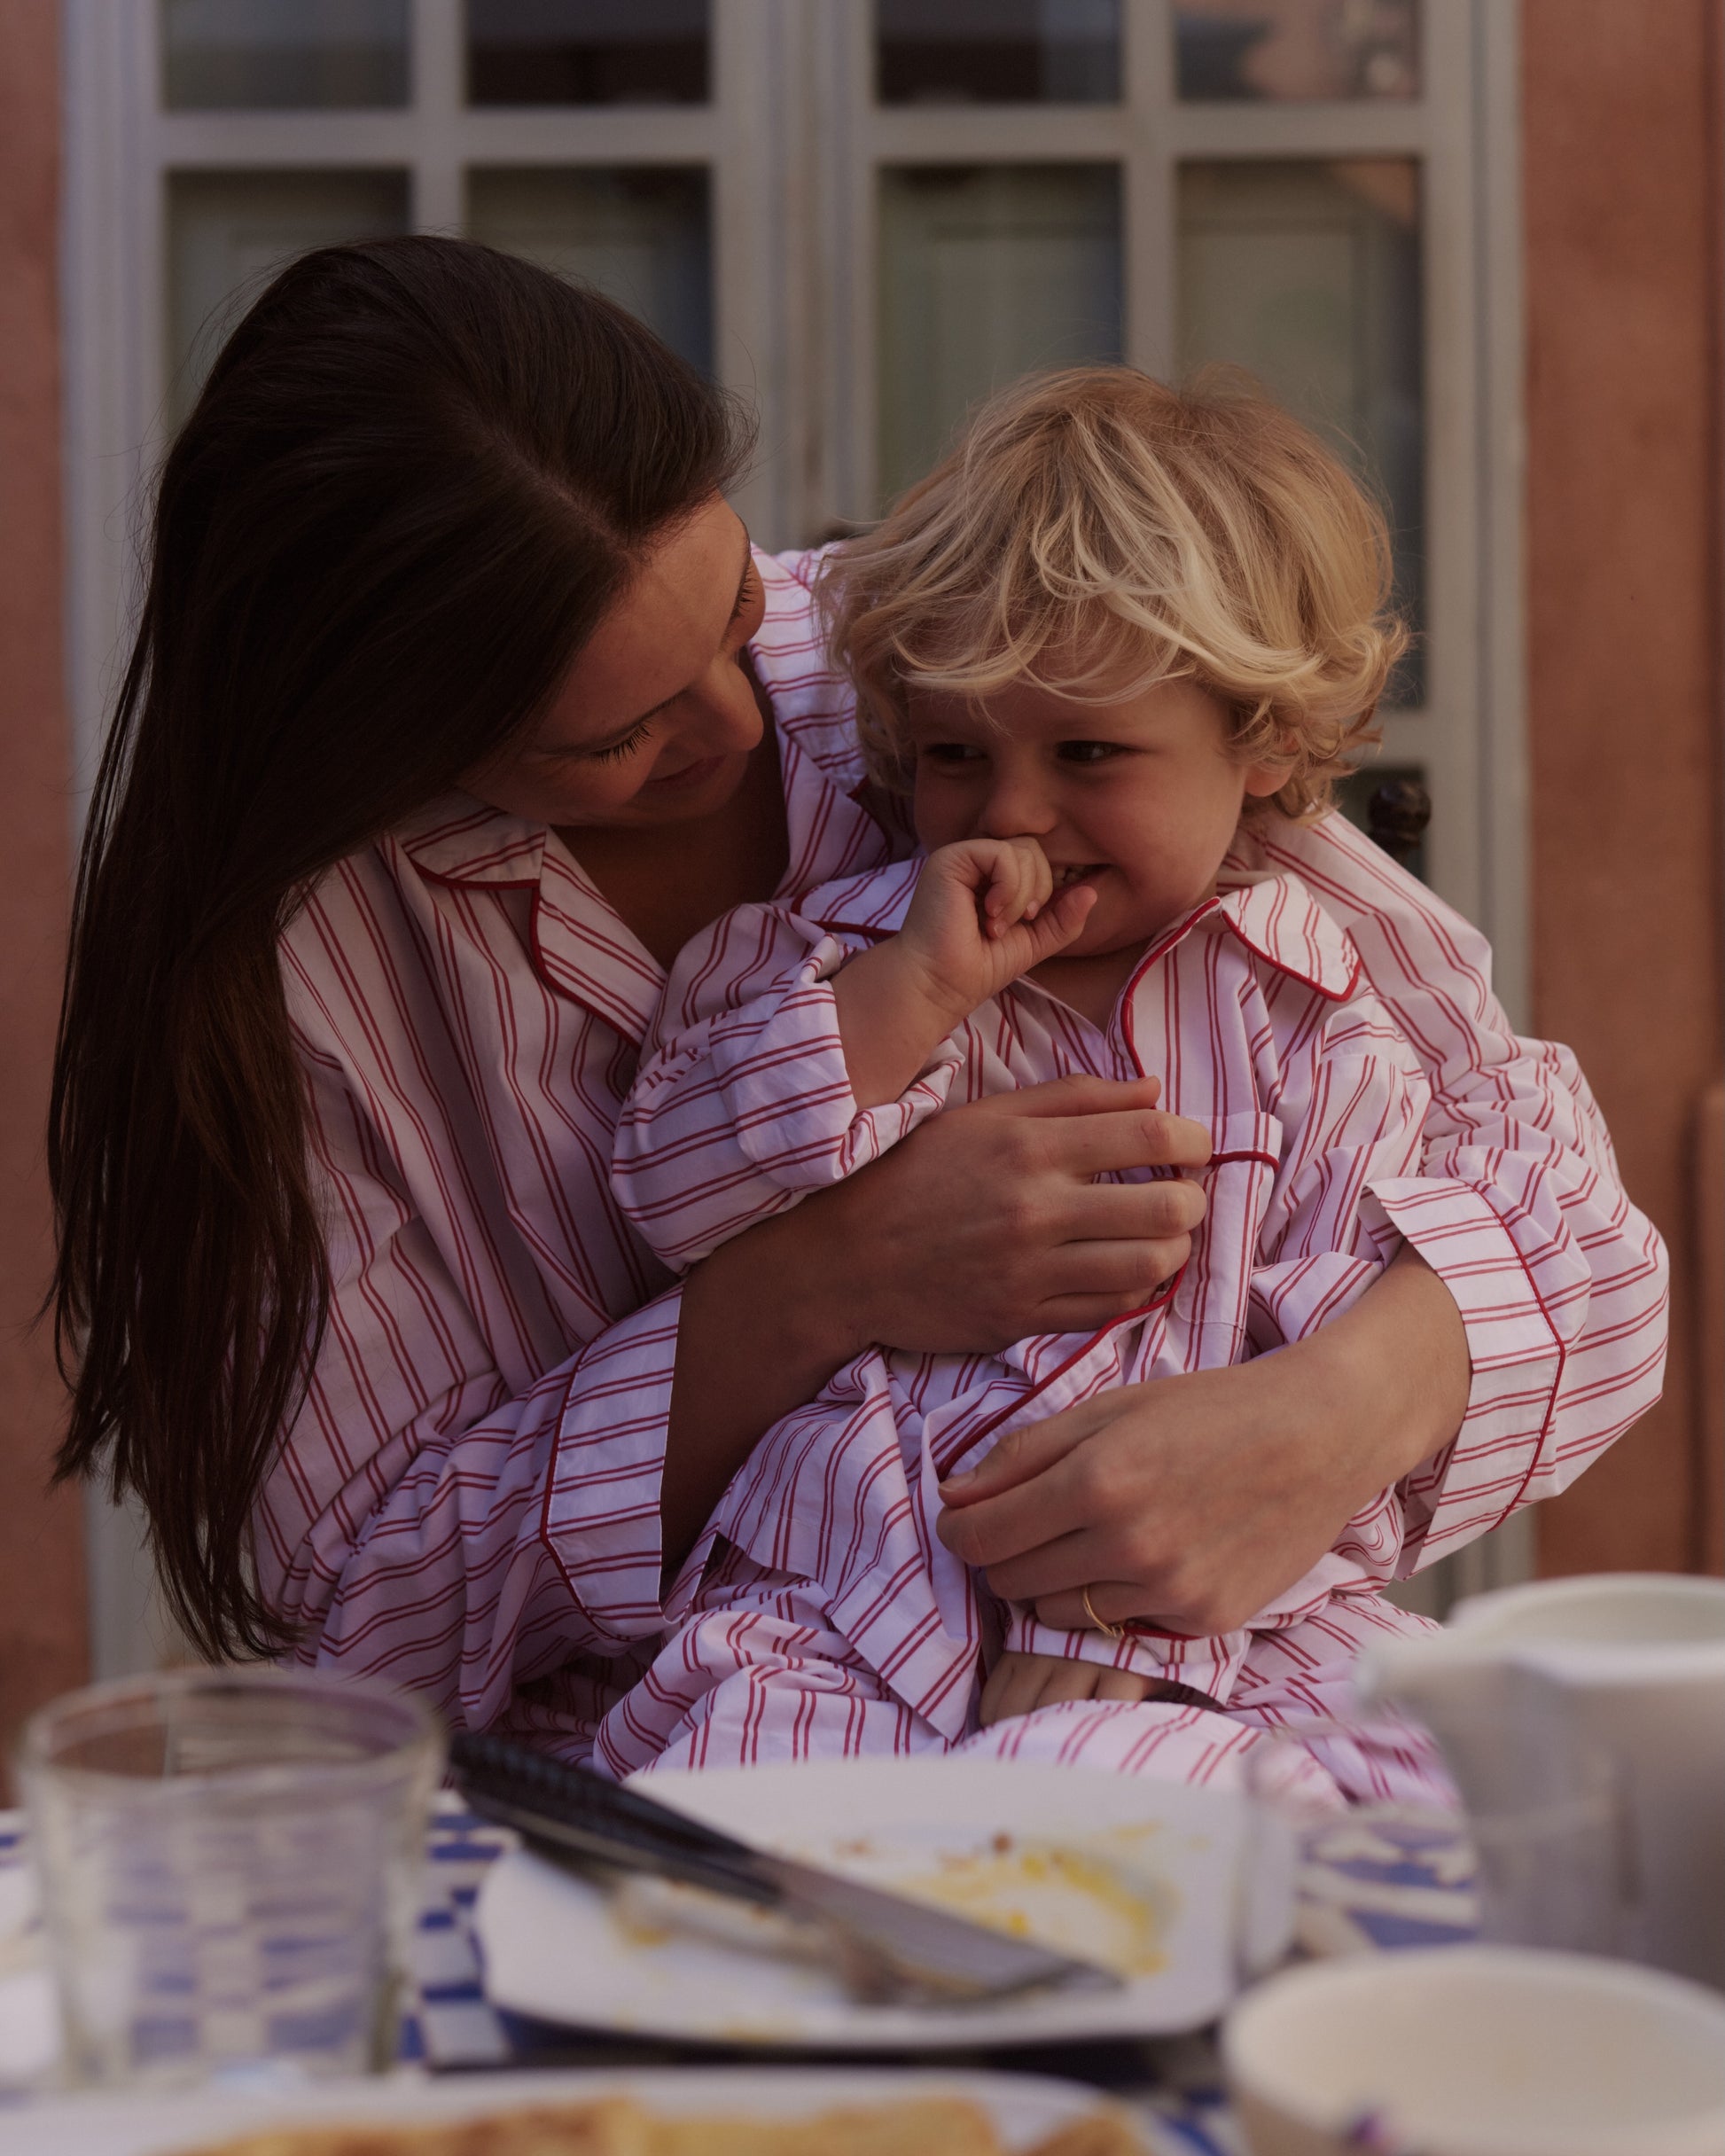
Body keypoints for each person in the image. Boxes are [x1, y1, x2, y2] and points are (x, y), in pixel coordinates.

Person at [49, 239, 1665, 1774]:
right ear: (389, 739)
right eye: (608, 737)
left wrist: (1327, 1415)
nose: (747, 724)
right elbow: (364, 1628)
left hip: (1196, 1691)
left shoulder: (961, 661)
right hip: (704, 1767)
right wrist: (819, 1284)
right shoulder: (307, 971)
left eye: (734, 618)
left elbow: (1581, 1235)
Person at [598, 371, 1482, 1791]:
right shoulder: (810, 960)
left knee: (1350, 1829)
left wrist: (1159, 1626)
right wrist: (904, 1001)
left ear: (1257, 744)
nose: (1012, 811)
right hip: (833, 1614)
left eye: (1088, 753)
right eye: (956, 753)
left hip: (1212, 1655)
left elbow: (1323, 1438)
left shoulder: (1316, 1020)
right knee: (740, 1860)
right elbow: (664, 1194)